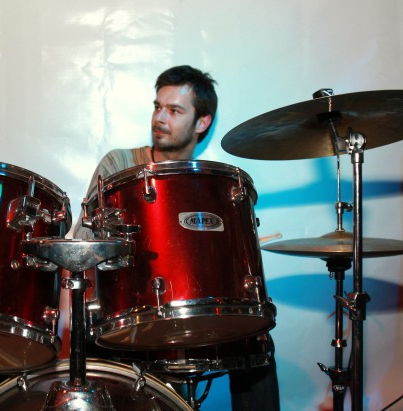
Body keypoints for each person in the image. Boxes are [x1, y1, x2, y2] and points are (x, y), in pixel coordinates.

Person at [73, 65, 280, 410]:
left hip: (192, 312)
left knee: (255, 338)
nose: (160, 117)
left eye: (174, 110)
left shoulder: (209, 186)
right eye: (158, 107)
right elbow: (81, 242)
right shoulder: (119, 163)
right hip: (133, 311)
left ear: (202, 123)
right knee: (91, 329)